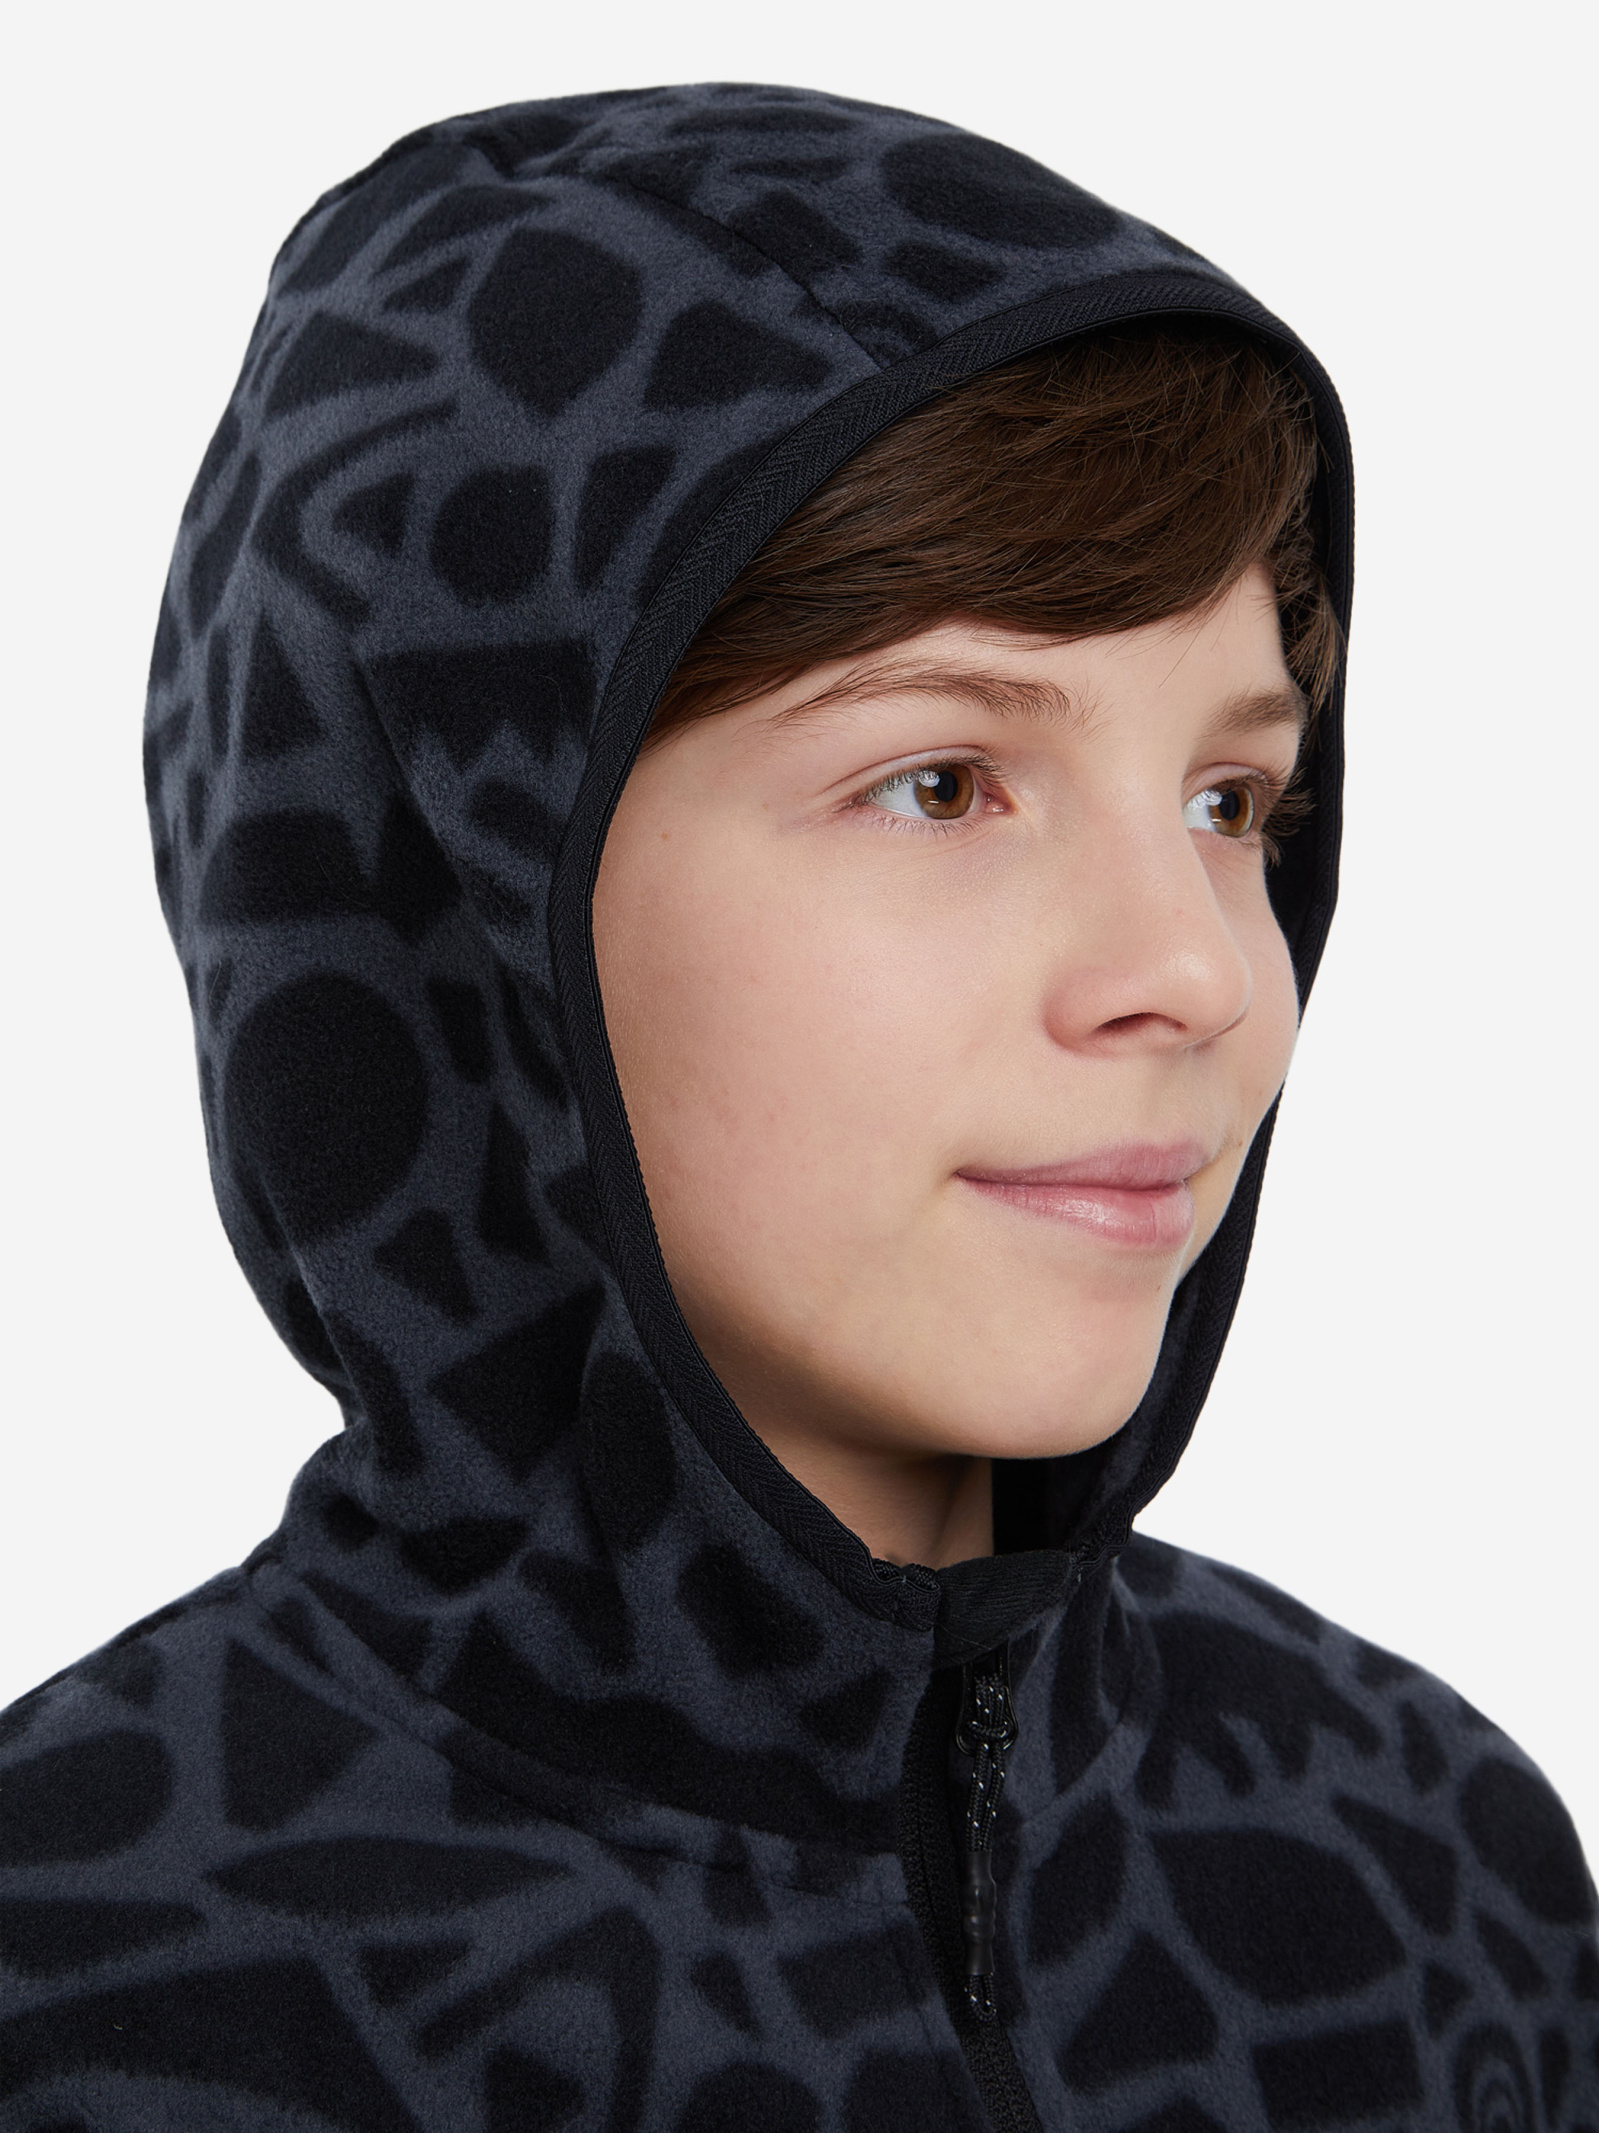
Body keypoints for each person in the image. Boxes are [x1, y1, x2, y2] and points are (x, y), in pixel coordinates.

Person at [0, 81, 1592, 2133]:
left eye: (1230, 799)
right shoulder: (85, 1985)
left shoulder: (1431, 1869)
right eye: (941, 782)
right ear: (466, 887)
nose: (1198, 969)